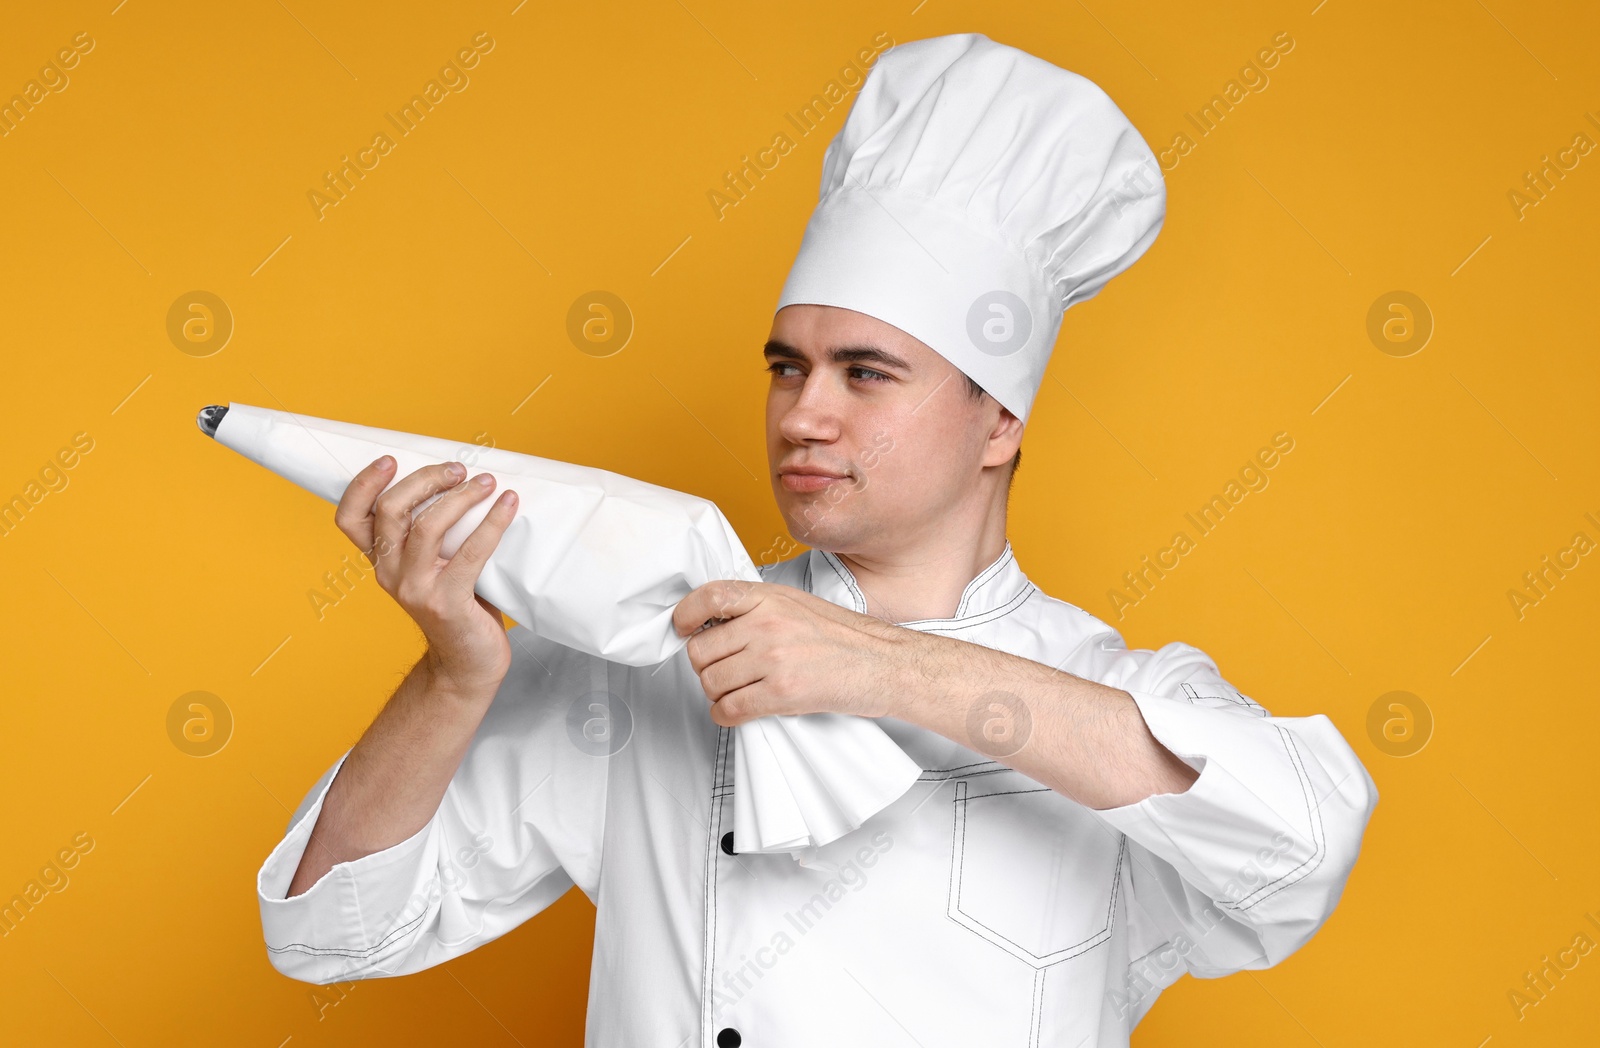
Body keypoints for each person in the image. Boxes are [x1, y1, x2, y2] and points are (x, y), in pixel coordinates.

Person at [256, 32, 1377, 1046]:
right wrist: (454, 673)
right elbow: (328, 933)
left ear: (999, 420)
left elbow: (1298, 844)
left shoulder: (1110, 692)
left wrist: (875, 664)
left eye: (865, 373)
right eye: (787, 367)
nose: (803, 413)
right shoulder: (651, 658)